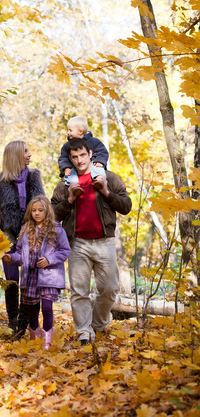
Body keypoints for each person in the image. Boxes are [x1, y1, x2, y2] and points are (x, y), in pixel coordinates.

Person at [51, 138, 132, 345]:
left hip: (105, 241)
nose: (79, 161)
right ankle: (84, 333)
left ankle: (97, 324)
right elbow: (51, 214)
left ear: (90, 154)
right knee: (79, 291)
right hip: (77, 243)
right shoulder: (65, 184)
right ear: (70, 159)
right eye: (74, 157)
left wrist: (106, 191)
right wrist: (69, 199)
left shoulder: (109, 177)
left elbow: (126, 205)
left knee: (110, 288)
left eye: (82, 155)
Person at [4, 196, 71, 350]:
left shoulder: (56, 229)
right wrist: (11, 258)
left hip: (49, 276)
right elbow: (21, 255)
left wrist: (49, 259)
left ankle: (47, 342)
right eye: (34, 210)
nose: (37, 213)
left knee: (47, 307)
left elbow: (65, 250)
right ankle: (35, 339)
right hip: (30, 277)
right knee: (32, 309)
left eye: (40, 210)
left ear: (47, 211)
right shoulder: (25, 230)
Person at [0, 141, 45, 338]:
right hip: (8, 234)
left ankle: (26, 323)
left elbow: (42, 206)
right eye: (25, 151)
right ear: (15, 155)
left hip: (30, 233)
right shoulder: (1, 181)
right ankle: (12, 322)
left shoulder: (34, 177)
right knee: (12, 280)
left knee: (30, 279)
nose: (29, 154)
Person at [58, 116, 109, 196]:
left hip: (93, 164)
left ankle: (99, 181)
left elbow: (102, 151)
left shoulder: (93, 141)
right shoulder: (67, 146)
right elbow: (63, 158)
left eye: (70, 130)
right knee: (70, 174)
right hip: (74, 168)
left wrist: (99, 161)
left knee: (97, 169)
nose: (68, 133)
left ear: (80, 131)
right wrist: (66, 167)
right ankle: (74, 188)